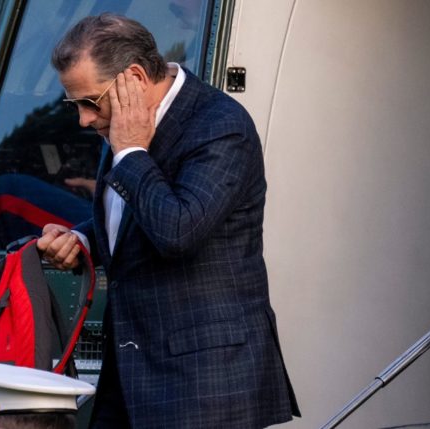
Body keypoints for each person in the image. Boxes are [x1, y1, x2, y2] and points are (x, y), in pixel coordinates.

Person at [36, 13, 300, 428]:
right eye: (75, 105)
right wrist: (82, 240)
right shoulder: (124, 124)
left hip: (204, 384)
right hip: (130, 375)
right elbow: (133, 217)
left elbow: (178, 231)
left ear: (135, 79)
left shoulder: (220, 126)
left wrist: (131, 154)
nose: (84, 119)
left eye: (89, 102)